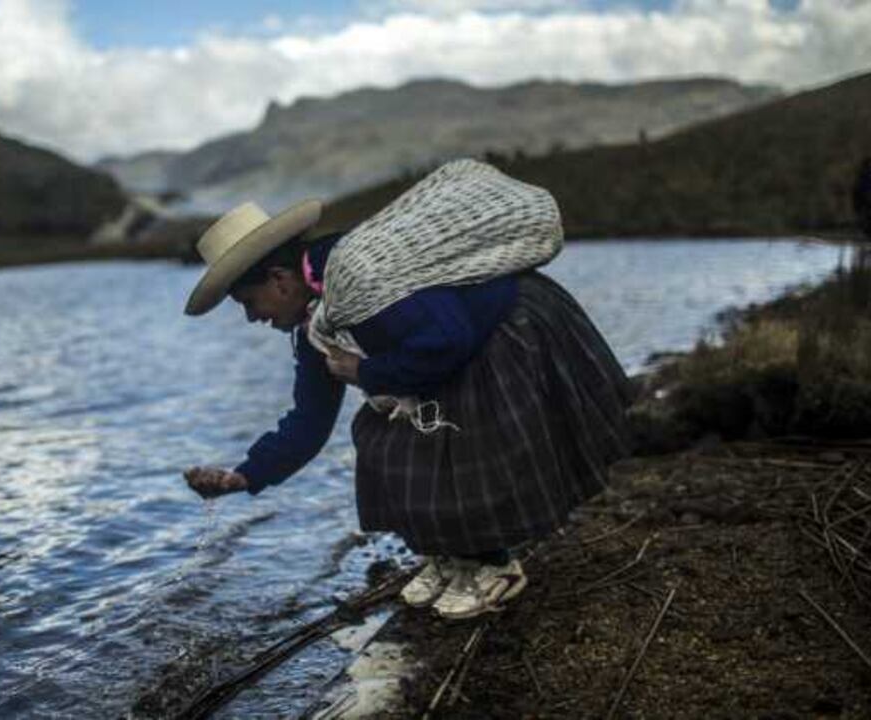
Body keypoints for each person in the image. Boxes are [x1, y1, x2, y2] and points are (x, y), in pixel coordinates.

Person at [182, 187, 633, 619]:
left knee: (454, 429)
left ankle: (494, 564)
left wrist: (366, 373)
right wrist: (245, 474)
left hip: (507, 330)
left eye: (248, 302)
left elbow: (448, 336)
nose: (251, 317)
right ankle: (454, 556)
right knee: (382, 435)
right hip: (450, 348)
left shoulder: (360, 276)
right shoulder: (314, 324)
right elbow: (310, 420)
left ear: (279, 281)